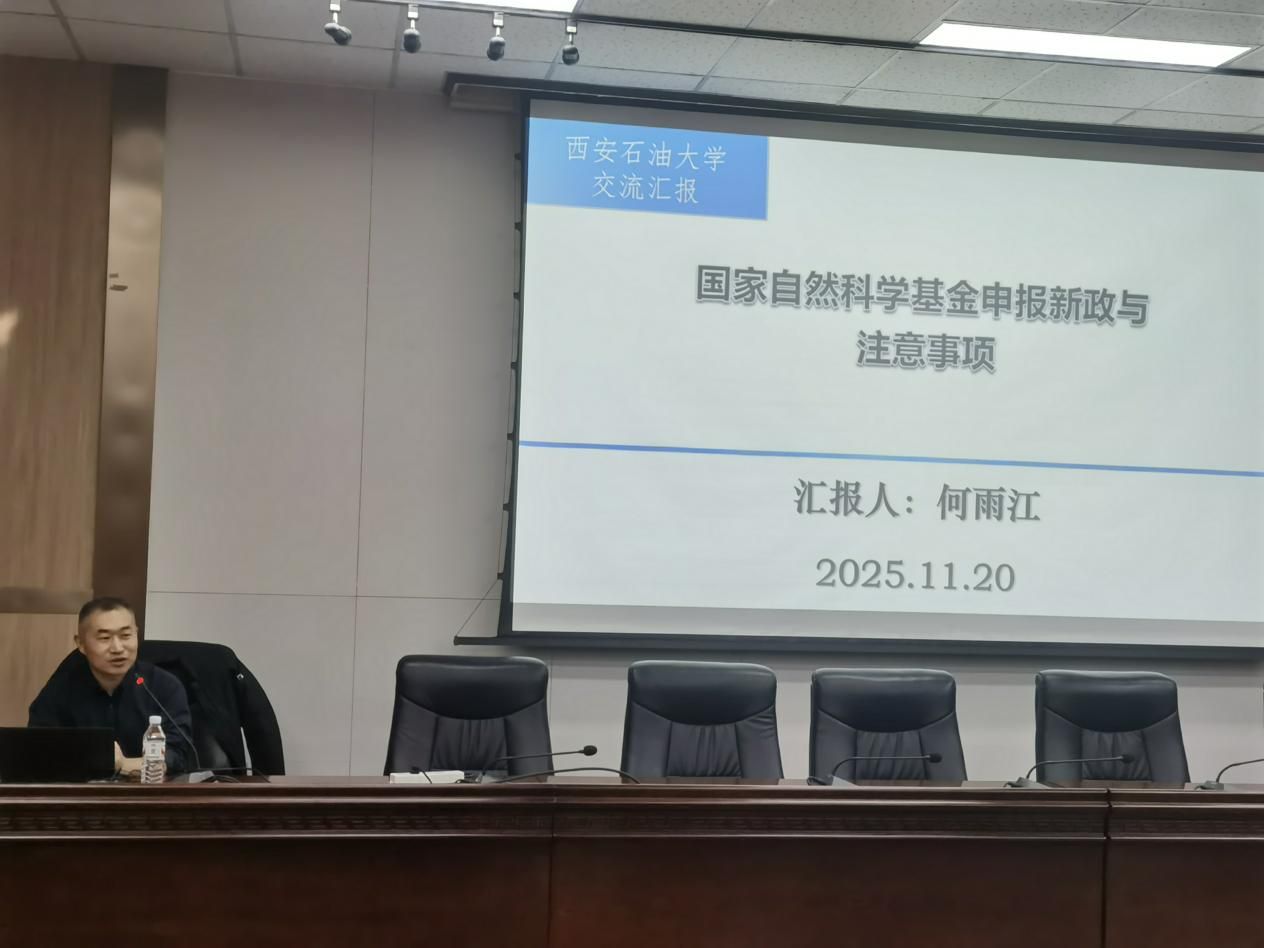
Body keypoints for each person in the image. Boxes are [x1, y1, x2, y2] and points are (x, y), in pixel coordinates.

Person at [28, 596, 193, 779]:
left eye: (126, 636)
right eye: (105, 638)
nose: (117, 648)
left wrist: (123, 765)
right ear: (81, 644)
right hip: (82, 792)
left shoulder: (164, 686)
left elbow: (178, 755)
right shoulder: (61, 690)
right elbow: (38, 750)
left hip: (148, 791)